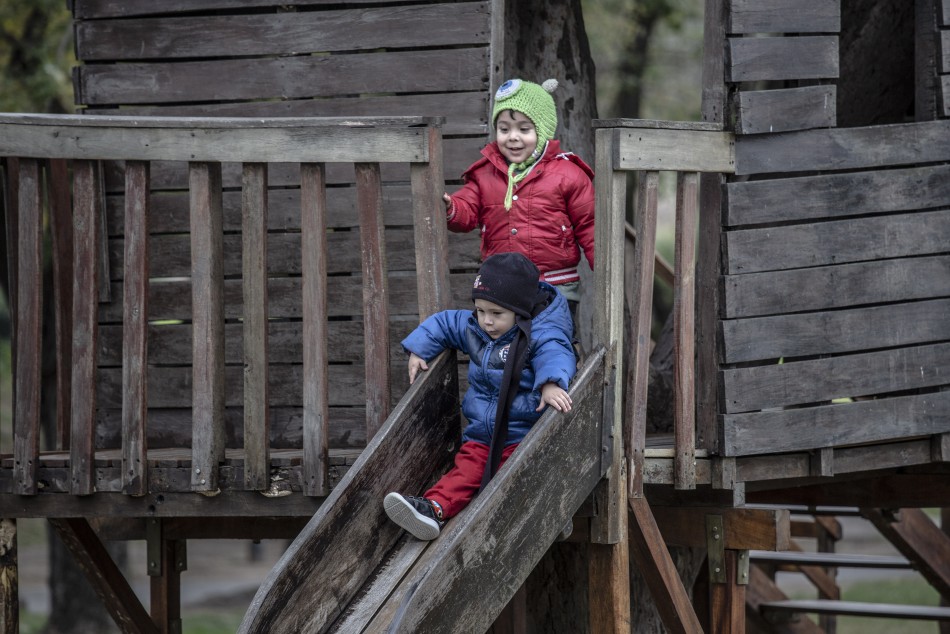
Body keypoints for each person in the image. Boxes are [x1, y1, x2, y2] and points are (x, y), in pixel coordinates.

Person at [383, 252, 577, 540]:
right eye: (481, 310)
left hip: (521, 435)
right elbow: (445, 323)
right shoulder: (476, 328)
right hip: (481, 435)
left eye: (497, 314)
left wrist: (550, 383)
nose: (487, 321)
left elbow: (556, 352)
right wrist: (419, 349)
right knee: (465, 473)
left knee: (520, 477)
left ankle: (549, 513)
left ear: (520, 311)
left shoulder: (539, 333)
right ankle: (433, 509)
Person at [442, 78, 595, 327]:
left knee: (552, 345)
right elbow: (467, 209)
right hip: (501, 287)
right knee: (505, 350)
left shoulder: (568, 174)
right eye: (504, 129)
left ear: (542, 130)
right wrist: (452, 208)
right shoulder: (485, 174)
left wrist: (606, 270)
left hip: (554, 286)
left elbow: (591, 225)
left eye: (524, 129)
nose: (513, 137)